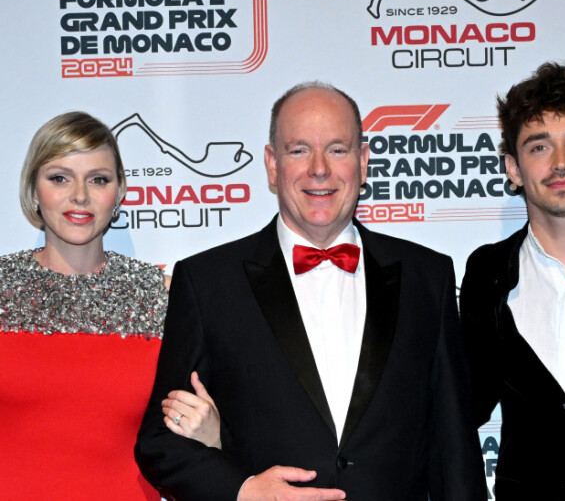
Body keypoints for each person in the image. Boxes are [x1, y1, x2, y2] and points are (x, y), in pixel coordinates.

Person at [136, 82, 486, 501]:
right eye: (299, 150)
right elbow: (160, 439)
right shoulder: (208, 282)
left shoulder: (427, 277)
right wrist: (244, 490)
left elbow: (454, 444)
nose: (319, 169)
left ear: (363, 160)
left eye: (337, 149)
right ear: (271, 164)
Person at [0, 112, 214, 500]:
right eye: (59, 177)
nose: (80, 195)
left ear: (120, 193)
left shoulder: (165, 296)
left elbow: (222, 418)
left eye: (98, 179)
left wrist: (216, 435)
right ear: (33, 190)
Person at [460, 62, 565, 500]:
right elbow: (463, 405)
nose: (562, 163)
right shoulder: (486, 273)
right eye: (539, 147)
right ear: (513, 167)